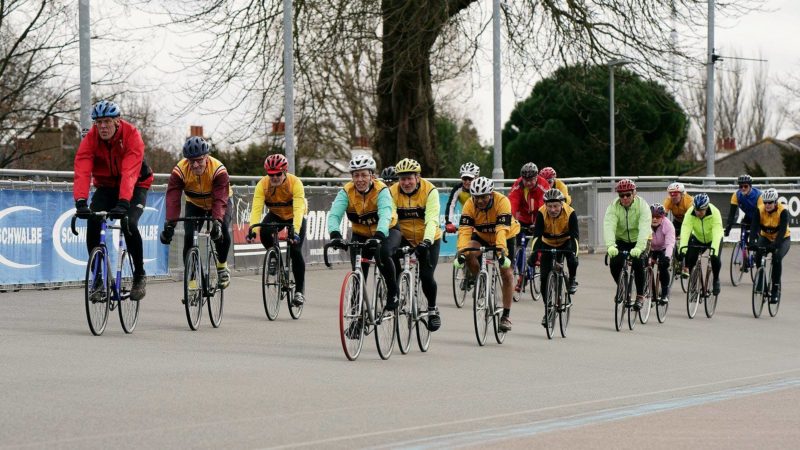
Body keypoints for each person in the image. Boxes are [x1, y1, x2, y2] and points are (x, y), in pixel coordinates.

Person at [73, 100, 153, 301]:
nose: (102, 126)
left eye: (107, 121)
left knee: (129, 223)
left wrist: (124, 201)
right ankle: (97, 279)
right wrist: (81, 201)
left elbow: (129, 172)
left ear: (117, 121)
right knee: (93, 221)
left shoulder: (131, 135)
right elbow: (82, 169)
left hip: (136, 184)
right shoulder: (91, 138)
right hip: (106, 186)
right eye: (98, 122)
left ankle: (139, 275)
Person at [328, 154, 401, 313]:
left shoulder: (381, 190)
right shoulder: (346, 192)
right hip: (360, 233)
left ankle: (393, 292)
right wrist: (335, 235)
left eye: (364, 175)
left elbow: (385, 215)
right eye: (356, 175)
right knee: (358, 271)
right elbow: (334, 215)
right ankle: (356, 312)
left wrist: (379, 236)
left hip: (387, 230)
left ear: (372, 176)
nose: (360, 179)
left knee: (384, 253)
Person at [160, 137, 233, 289]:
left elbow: (220, 199)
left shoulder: (218, 169)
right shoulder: (180, 170)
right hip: (194, 203)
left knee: (223, 230)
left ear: (207, 157)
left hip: (219, 201)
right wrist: (170, 224)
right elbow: (173, 199)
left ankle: (222, 266)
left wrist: (217, 221)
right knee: (188, 238)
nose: (195, 165)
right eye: (191, 161)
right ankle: (192, 282)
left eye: (199, 160)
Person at [453, 177, 520, 332]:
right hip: (482, 235)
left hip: (505, 236)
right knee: (468, 252)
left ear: (491, 194)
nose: (480, 201)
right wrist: (462, 251)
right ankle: (481, 281)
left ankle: (506, 316)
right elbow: (464, 231)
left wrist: (501, 252)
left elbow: (501, 229)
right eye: (476, 197)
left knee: (507, 273)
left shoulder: (502, 201)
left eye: (484, 197)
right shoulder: (469, 204)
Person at [246, 154, 308, 306]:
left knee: (295, 250)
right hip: (276, 214)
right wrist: (252, 229)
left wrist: (296, 231)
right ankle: (275, 257)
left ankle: (299, 292)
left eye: (278, 174)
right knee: (264, 231)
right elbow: (256, 209)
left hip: (295, 216)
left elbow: (298, 209)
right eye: (271, 174)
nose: (274, 177)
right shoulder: (262, 185)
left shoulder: (295, 183)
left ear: (285, 172)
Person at [389, 158, 442, 331]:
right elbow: (390, 218)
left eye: (409, 178)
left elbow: (432, 219)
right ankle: (395, 293)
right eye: (402, 179)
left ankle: (432, 309)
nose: (406, 183)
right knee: (390, 261)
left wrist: (426, 242)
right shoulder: (392, 192)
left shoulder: (430, 191)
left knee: (426, 276)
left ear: (417, 177)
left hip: (428, 237)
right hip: (404, 236)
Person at [530, 188, 579, 326]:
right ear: (545, 205)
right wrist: (534, 253)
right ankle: (549, 310)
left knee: (572, 259)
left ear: (562, 204)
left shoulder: (570, 213)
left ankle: (572, 279)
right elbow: (537, 236)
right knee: (544, 279)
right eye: (549, 206)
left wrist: (574, 254)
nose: (552, 209)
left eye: (556, 206)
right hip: (547, 243)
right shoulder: (541, 213)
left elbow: (575, 237)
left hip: (565, 242)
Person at [604, 179, 651, 310]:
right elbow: (609, 226)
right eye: (621, 195)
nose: (624, 198)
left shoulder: (643, 206)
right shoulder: (613, 207)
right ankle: (621, 287)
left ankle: (640, 295)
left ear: (634, 193)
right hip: (622, 239)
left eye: (628, 195)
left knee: (638, 262)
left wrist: (639, 247)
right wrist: (610, 245)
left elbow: (644, 228)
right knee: (614, 263)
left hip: (639, 239)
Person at [749, 188, 790, 303]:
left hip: (783, 239)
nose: (767, 205)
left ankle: (775, 289)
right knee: (758, 255)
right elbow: (754, 227)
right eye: (765, 202)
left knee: (777, 258)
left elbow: (782, 231)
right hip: (766, 237)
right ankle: (761, 282)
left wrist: (775, 245)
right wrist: (752, 242)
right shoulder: (760, 210)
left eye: (770, 202)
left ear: (776, 202)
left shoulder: (783, 211)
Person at [679, 193, 724, 295]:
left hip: (713, 238)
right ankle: (694, 284)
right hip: (698, 237)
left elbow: (717, 232)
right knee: (691, 258)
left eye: (701, 210)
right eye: (696, 210)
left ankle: (716, 279)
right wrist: (682, 249)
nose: (698, 212)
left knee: (715, 258)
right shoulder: (690, 213)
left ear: (706, 208)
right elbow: (685, 230)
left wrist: (714, 252)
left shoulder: (715, 212)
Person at [648, 203, 676, 304]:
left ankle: (664, 293)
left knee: (663, 266)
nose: (654, 219)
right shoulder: (645, 223)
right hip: (651, 248)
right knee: (644, 265)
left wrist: (667, 257)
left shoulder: (668, 225)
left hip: (664, 248)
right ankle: (647, 291)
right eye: (652, 216)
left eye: (657, 217)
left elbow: (670, 244)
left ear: (663, 217)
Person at [444, 162, 480, 234]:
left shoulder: (481, 188)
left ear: (476, 177)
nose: (467, 181)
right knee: (462, 239)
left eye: (470, 179)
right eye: (464, 178)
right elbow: (451, 205)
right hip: (466, 218)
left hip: (482, 218)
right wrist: (448, 222)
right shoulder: (458, 188)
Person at [725, 174, 763, 240]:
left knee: (755, 237)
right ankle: (743, 245)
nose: (743, 188)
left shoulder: (758, 195)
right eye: (741, 186)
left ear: (750, 186)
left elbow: (761, 213)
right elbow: (732, 214)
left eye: (745, 186)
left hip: (759, 216)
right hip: (748, 216)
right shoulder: (736, 195)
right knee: (743, 237)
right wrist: (728, 227)